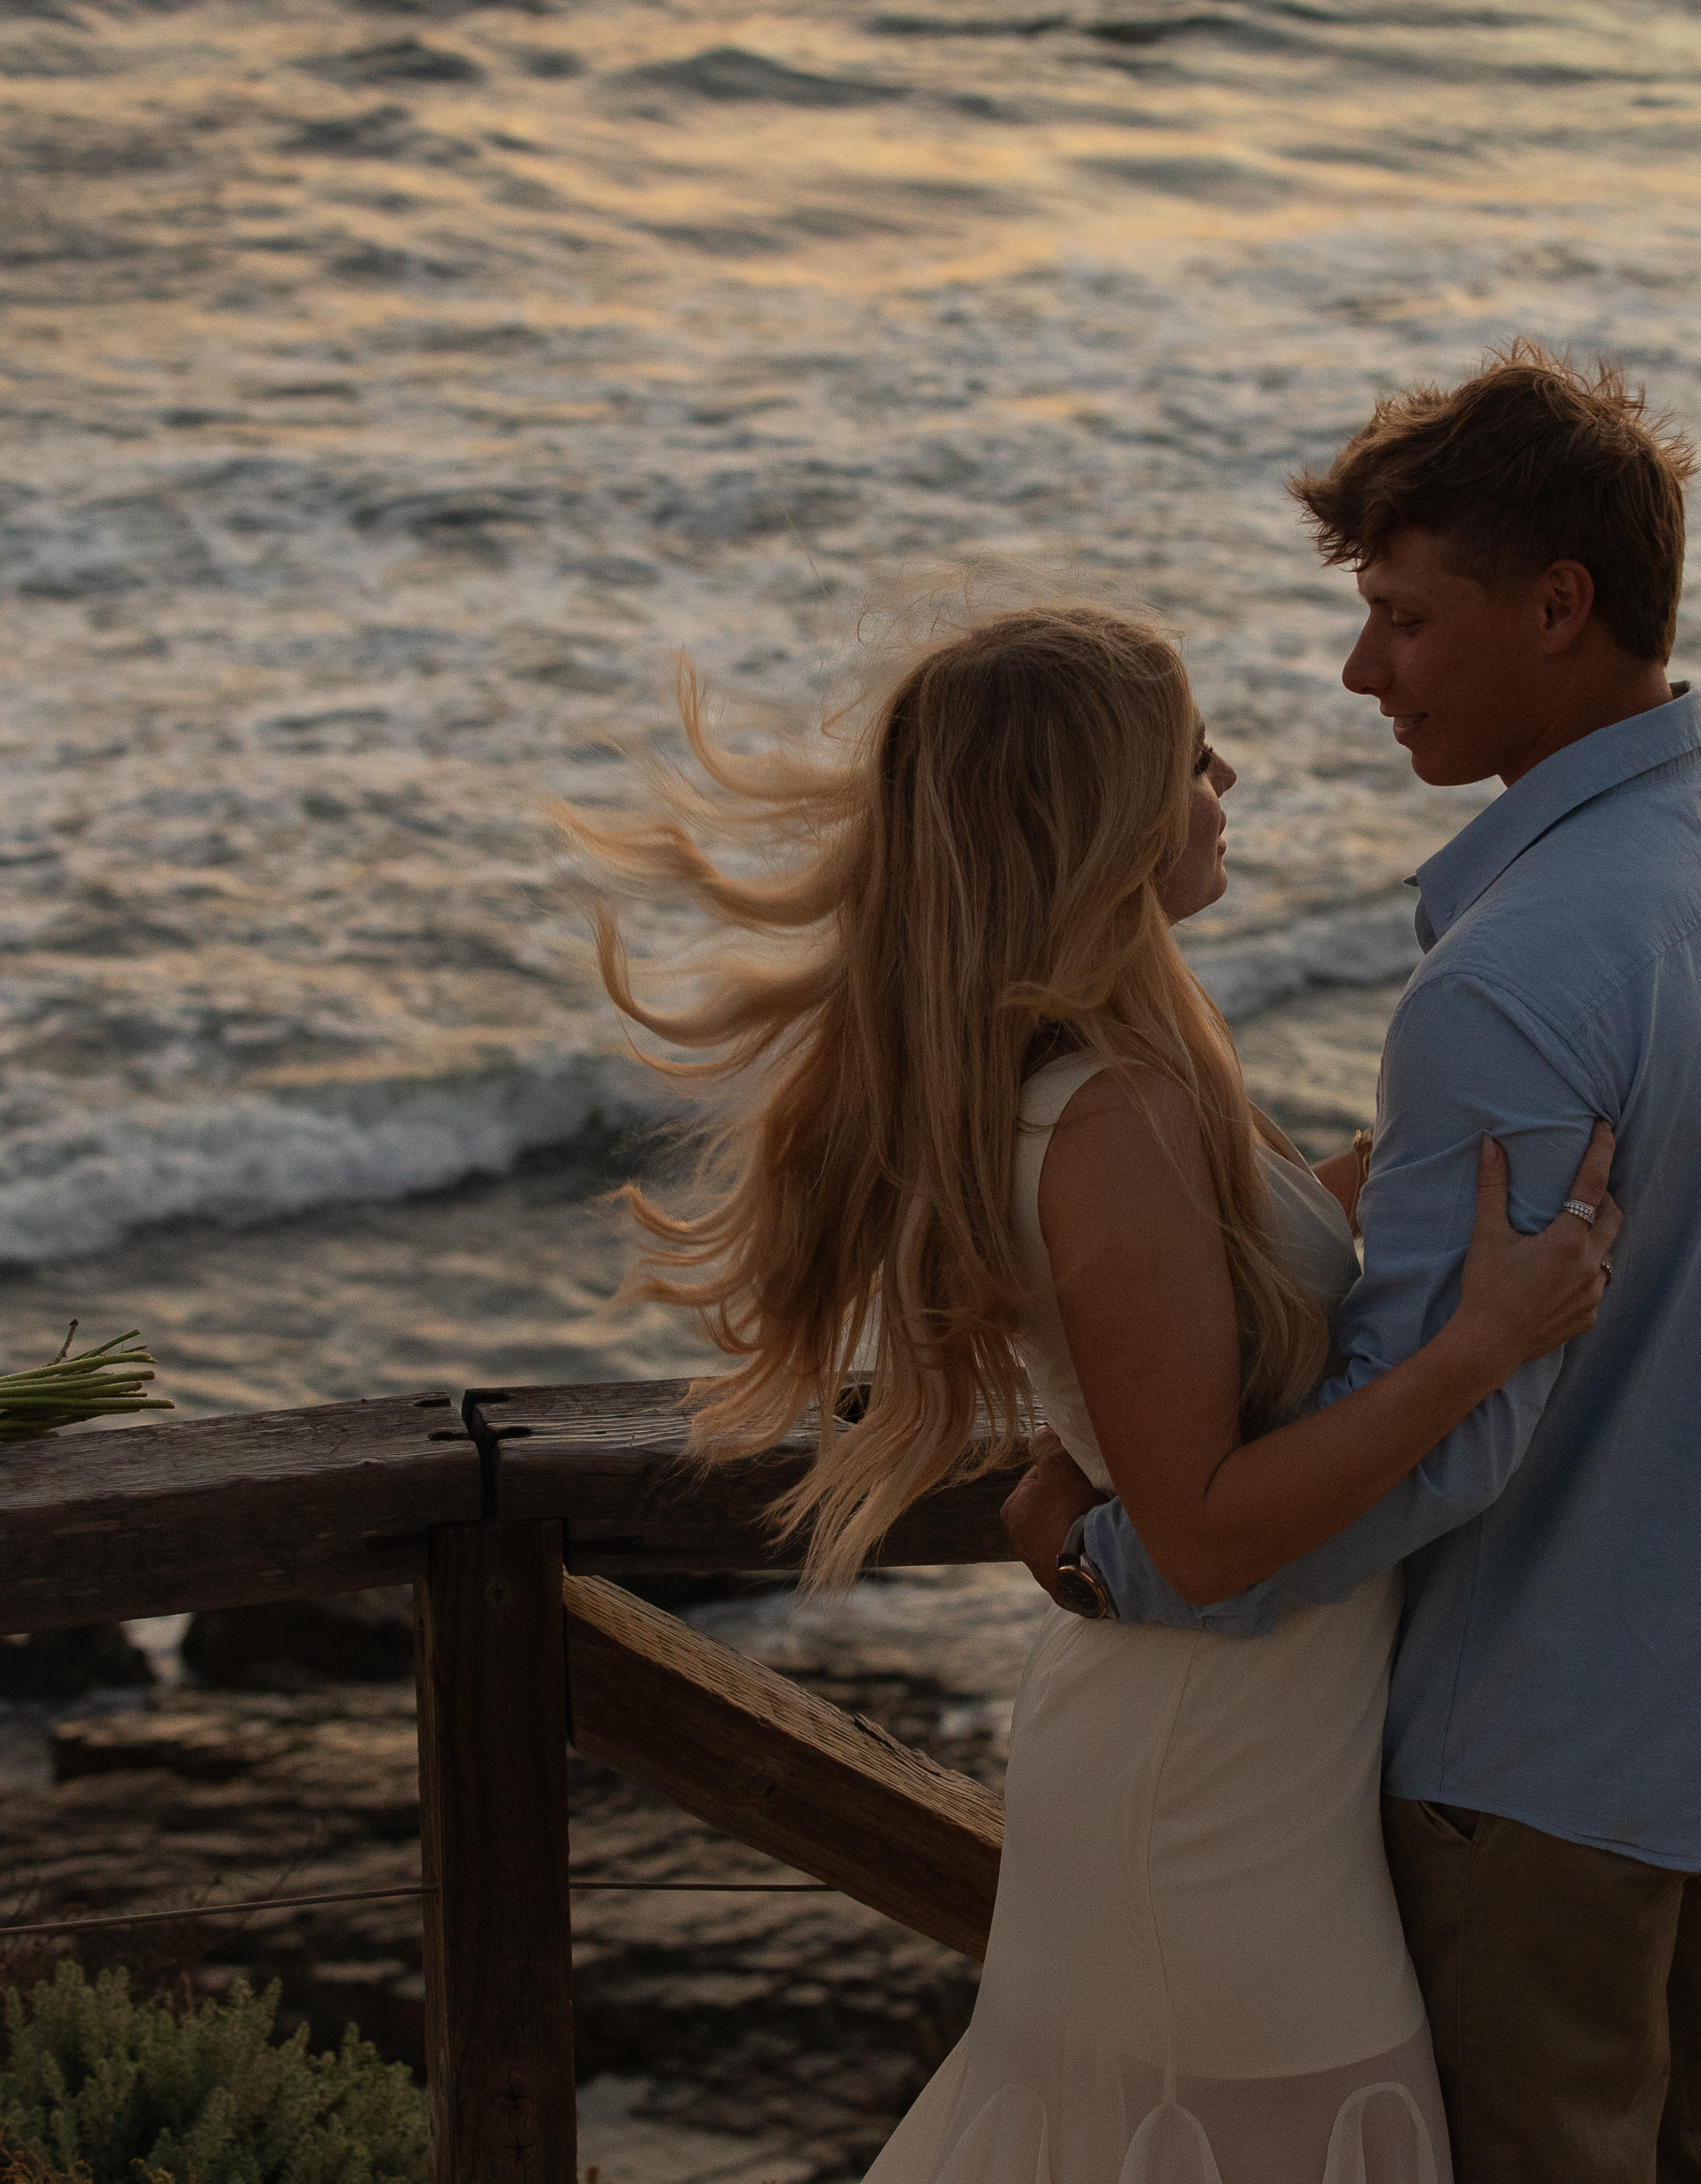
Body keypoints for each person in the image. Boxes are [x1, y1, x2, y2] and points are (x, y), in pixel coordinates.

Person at [1005, 345, 1701, 2184]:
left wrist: (1115, 1558)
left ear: (1560, 603)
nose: (1360, 674)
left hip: (1554, 1730)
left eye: (1401, 619)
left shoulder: (1514, 977)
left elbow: (1449, 1428)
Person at [571, 602, 1622, 2184]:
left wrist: (1429, 1150)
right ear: (1104, 812)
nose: (1228, 777)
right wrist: (1480, 1345)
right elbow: (1197, 1533)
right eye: (1194, 758)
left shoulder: (1125, 1072)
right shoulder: (1108, 1110)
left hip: (1241, 1756)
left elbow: (1218, 1296)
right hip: (1206, 1795)